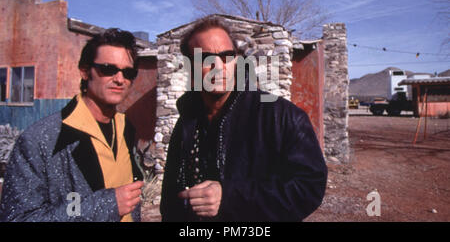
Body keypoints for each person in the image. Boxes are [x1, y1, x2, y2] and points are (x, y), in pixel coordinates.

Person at [160, 17, 328, 221]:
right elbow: (171, 195)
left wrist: (230, 198)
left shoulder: (281, 116)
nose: (218, 67)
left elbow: (309, 187)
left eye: (227, 56)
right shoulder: (188, 118)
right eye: (204, 58)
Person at [0, 29, 144, 222]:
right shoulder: (40, 139)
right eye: (108, 69)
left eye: (128, 72)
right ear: (85, 71)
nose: (119, 79)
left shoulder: (126, 127)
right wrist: (106, 204)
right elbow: (19, 218)